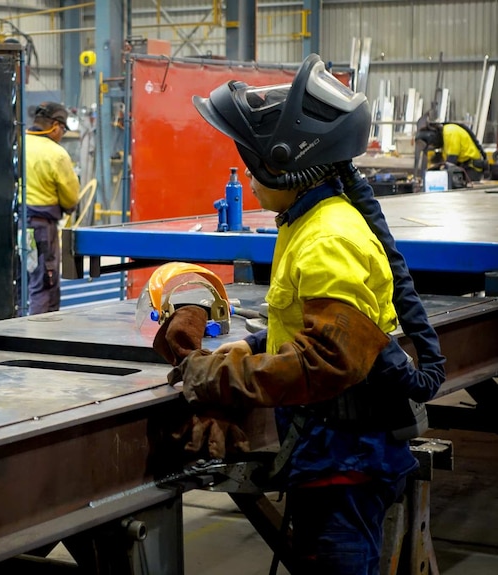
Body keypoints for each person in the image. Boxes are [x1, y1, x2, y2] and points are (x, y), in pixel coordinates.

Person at [154, 54, 445, 574]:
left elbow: (330, 361)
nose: (248, 175)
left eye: (252, 165)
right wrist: (258, 345)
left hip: (345, 462)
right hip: (330, 452)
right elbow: (323, 325)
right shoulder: (306, 220)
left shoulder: (327, 238)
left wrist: (224, 374)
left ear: (286, 164)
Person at [22, 102, 80, 314]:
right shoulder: (57, 154)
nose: (62, 135)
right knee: (44, 285)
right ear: (55, 126)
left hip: (16, 225)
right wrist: (69, 207)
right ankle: (40, 339)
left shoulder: (19, 144)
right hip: (42, 229)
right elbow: (70, 197)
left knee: (21, 283)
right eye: (63, 130)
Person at [415, 121, 489, 182]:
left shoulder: (450, 133)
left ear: (432, 137)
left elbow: (451, 161)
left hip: (471, 168)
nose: (434, 146)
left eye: (433, 144)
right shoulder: (444, 136)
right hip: (462, 166)